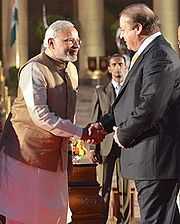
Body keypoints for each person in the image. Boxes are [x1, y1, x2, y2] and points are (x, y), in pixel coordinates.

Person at [0, 20, 104, 224]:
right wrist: (80, 132)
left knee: (56, 215)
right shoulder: (34, 69)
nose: (75, 44)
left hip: (57, 157)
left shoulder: (72, 70)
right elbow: (40, 115)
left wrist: (72, 144)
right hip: (26, 157)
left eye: (77, 40)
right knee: (25, 215)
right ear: (50, 42)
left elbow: (69, 114)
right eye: (68, 40)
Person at [89, 3, 180, 224]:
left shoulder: (160, 55)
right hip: (150, 161)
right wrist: (105, 124)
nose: (121, 35)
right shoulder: (147, 53)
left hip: (156, 161)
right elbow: (131, 101)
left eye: (124, 29)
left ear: (137, 28)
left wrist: (122, 134)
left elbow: (150, 107)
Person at [89, 53, 130, 224]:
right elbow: (94, 120)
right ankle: (101, 220)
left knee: (125, 190)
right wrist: (92, 148)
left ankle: (125, 222)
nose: (117, 68)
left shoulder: (131, 91)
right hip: (105, 146)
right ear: (109, 68)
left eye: (120, 64)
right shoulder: (100, 92)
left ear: (126, 67)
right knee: (103, 188)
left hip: (126, 145)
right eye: (114, 64)